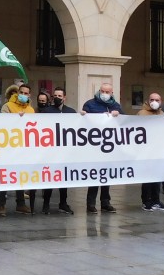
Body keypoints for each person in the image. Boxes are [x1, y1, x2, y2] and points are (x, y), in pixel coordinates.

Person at [81, 81, 121, 213]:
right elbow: (83, 122)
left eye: (107, 92)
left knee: (106, 176)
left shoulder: (116, 106)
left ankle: (105, 202)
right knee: (94, 175)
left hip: (109, 147)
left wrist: (118, 115)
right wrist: (83, 115)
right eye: (102, 91)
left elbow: (124, 123)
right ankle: (91, 204)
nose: (104, 94)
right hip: (94, 146)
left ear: (112, 93)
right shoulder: (90, 104)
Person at [37, 87, 75, 214]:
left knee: (63, 177)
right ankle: (46, 203)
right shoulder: (46, 111)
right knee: (50, 177)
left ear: (64, 97)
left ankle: (63, 203)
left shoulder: (71, 112)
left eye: (60, 96)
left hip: (65, 151)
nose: (57, 98)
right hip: (50, 150)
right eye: (55, 96)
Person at [1, 82, 36, 214]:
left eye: (26, 94)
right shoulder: (7, 106)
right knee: (4, 175)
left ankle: (20, 203)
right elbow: (2, 123)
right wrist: (15, 118)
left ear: (29, 95)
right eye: (21, 93)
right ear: (17, 93)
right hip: (8, 146)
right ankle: (1, 205)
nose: (23, 95)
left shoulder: (31, 110)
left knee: (20, 175)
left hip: (23, 147)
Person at [137, 93, 164, 211]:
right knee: (147, 177)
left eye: (157, 100)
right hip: (146, 151)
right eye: (152, 99)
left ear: (160, 101)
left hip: (158, 151)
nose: (154, 102)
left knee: (157, 177)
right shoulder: (142, 113)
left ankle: (156, 200)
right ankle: (146, 201)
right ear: (148, 100)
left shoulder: (162, 114)